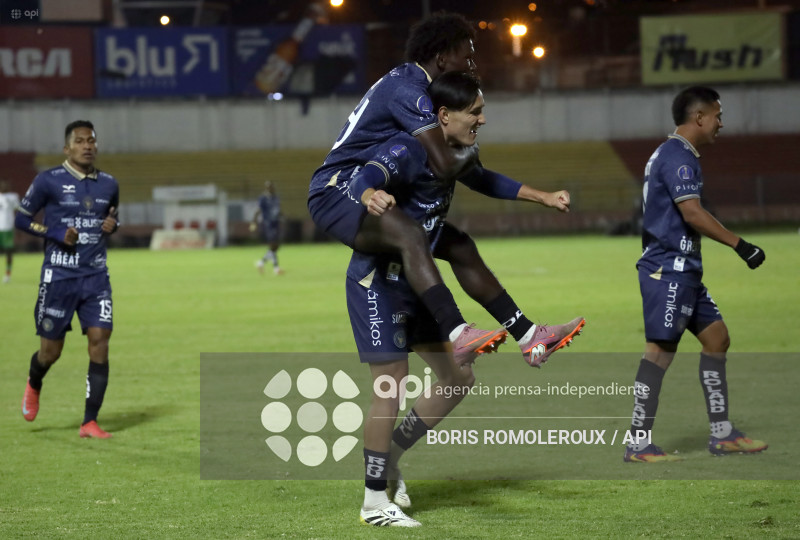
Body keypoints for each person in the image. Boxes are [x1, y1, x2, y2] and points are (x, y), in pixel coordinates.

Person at [352, 72, 582, 527]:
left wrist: (543, 196)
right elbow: (367, 172)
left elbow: (486, 180)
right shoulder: (408, 147)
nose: (482, 119)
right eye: (474, 112)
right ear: (443, 115)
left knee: (458, 379)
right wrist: (370, 193)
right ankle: (374, 502)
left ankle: (391, 454)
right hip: (378, 282)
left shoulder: (455, 153)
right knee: (390, 387)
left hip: (420, 284)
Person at [309, 12, 581, 366]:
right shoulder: (411, 93)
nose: (472, 65)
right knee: (411, 234)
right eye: (466, 56)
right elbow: (444, 162)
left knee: (459, 246)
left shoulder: (416, 87)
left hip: (369, 183)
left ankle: (529, 336)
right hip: (339, 188)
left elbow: (467, 170)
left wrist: (541, 195)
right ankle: (458, 333)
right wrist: (468, 148)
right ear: (441, 58)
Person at [623, 86, 767, 462]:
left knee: (717, 339)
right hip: (668, 271)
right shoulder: (678, 157)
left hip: (684, 270)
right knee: (658, 353)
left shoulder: (674, 153)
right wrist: (741, 245)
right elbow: (692, 213)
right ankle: (638, 444)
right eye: (717, 115)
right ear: (699, 117)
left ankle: (722, 434)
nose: (721, 122)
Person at [16, 120, 120, 439]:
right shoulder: (49, 180)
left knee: (100, 344)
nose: (87, 145)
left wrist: (111, 226)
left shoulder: (109, 184)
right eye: (80, 141)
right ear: (67, 148)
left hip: (96, 277)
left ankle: (89, 421)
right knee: (51, 353)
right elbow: (20, 218)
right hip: (59, 278)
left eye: (91, 140)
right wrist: (55, 233)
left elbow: (113, 217)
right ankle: (34, 383)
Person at [251, 180, 283, 275]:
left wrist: (282, 216)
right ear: (266, 188)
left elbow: (277, 209)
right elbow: (258, 210)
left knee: (275, 246)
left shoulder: (275, 197)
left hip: (275, 222)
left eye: (272, 187)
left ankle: (261, 263)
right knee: (273, 245)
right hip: (267, 223)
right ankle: (276, 268)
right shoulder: (263, 198)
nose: (271, 188)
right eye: (269, 187)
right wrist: (254, 221)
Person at [0, 179, 20, 283]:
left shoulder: (13, 196)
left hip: (7, 228)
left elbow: (18, 208)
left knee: (8, 252)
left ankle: (7, 274)